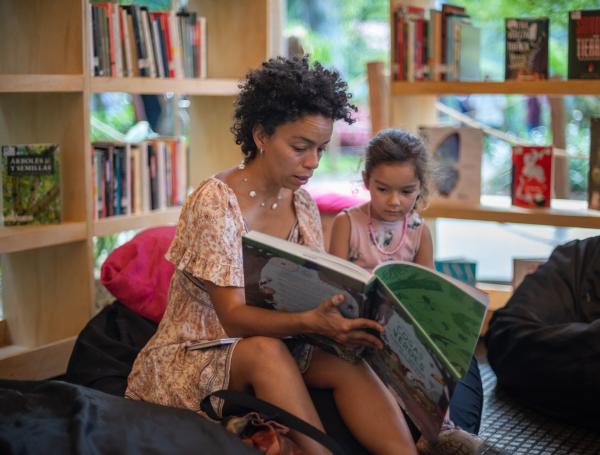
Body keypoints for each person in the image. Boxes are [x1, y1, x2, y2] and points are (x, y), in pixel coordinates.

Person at [125, 56, 417, 455]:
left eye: (321, 149)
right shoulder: (215, 202)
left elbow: (310, 290)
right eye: (300, 147)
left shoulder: (303, 204)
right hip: (196, 353)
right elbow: (233, 318)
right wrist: (310, 321)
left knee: (347, 359)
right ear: (261, 135)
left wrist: (346, 319)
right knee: (267, 351)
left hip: (281, 335)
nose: (313, 162)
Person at [329, 128, 484, 454]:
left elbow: (427, 290)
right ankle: (419, 432)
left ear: (420, 189)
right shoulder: (347, 223)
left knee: (431, 364)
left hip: (404, 331)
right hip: (360, 331)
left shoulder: (418, 231)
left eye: (406, 191)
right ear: (366, 179)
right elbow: (334, 284)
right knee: (378, 371)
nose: (394, 201)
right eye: (382, 189)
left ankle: (441, 433)